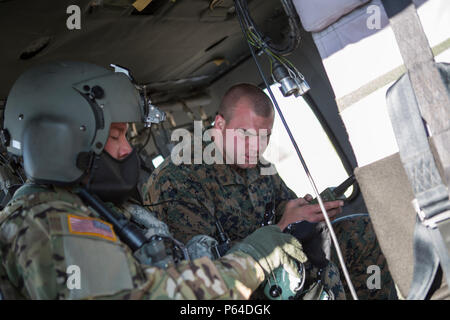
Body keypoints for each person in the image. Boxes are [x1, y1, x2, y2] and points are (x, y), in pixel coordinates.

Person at [0, 62, 310, 300]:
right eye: (116, 136)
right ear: (61, 139)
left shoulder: (94, 206)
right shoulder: (44, 222)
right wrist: (254, 260)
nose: (126, 149)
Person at [146, 83, 395, 300]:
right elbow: (199, 268)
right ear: (220, 124)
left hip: (276, 258)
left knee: (359, 232)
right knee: (315, 267)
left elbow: (283, 207)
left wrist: (306, 212)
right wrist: (281, 228)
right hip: (231, 281)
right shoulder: (179, 177)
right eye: (245, 134)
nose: (256, 146)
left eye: (264, 136)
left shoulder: (260, 165)